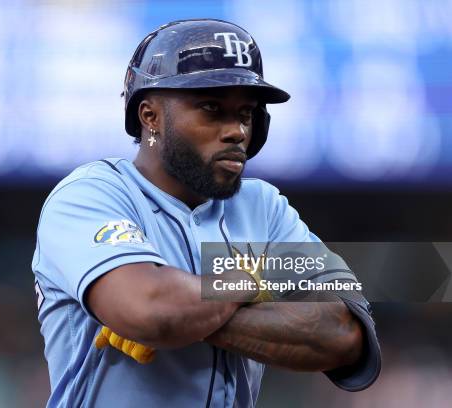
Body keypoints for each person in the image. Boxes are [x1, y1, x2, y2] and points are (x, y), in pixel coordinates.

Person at [32, 19, 381, 407]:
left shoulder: (264, 207)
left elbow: (343, 334)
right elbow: (152, 310)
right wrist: (259, 279)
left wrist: (214, 294)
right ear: (150, 117)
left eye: (246, 113)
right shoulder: (92, 194)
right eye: (213, 109)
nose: (236, 131)